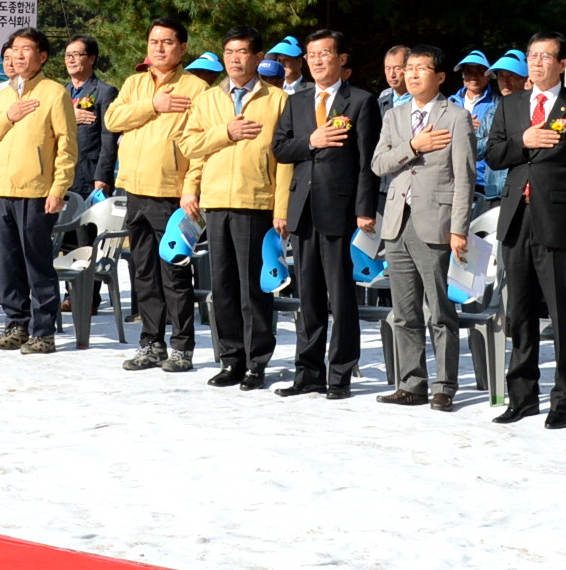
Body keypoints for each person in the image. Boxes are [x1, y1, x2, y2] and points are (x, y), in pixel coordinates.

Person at [485, 32, 566, 428]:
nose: (536, 63)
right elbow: (493, 155)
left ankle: (563, 399)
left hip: (558, 221)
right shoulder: (511, 104)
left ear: (562, 64)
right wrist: (523, 140)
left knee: (560, 313)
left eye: (545, 56)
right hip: (516, 218)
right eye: (531, 55)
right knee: (518, 312)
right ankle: (522, 397)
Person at [181, 26, 296, 389]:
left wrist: (281, 208)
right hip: (216, 202)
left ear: (258, 57)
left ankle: (256, 362)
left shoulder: (278, 100)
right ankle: (231, 360)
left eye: (242, 52)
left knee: (253, 289)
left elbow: (285, 159)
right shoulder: (208, 99)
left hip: (256, 202)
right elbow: (190, 146)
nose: (234, 59)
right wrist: (225, 134)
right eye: (229, 52)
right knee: (223, 287)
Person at [271, 29, 381, 399]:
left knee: (341, 297)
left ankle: (341, 375)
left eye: (324, 53)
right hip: (303, 209)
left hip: (341, 209)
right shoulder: (297, 101)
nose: (317, 60)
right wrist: (311, 141)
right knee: (309, 297)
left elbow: (367, 162)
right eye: (311, 55)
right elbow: (280, 148)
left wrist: (365, 209)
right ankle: (308, 373)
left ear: (340, 58)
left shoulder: (360, 101)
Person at [103, 18, 213, 373]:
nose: (159, 48)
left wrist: (191, 187)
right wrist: (153, 104)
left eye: (167, 42)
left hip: (173, 196)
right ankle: (151, 343)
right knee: (144, 274)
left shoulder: (196, 88)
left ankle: (181, 347)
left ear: (183, 48)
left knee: (174, 274)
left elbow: (201, 145)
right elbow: (113, 119)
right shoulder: (135, 83)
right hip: (135, 190)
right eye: (154, 41)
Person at [372, 44, 477, 410]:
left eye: (421, 68)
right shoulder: (394, 116)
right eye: (409, 68)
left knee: (440, 311)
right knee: (405, 312)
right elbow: (379, 164)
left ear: (441, 76)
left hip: (436, 222)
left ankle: (445, 385)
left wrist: (459, 228)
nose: (412, 74)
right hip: (397, 222)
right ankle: (411, 384)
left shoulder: (456, 117)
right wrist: (414, 146)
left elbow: (464, 177)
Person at [0, 28, 80, 354]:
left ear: (42, 56)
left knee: (37, 264)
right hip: (4, 190)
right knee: (8, 263)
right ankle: (16, 326)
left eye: (26, 49)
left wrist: (58, 189)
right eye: (14, 49)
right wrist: (8, 116)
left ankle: (43, 333)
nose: (18, 55)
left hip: (38, 192)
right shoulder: (4, 95)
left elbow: (67, 147)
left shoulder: (54, 93)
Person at [63, 36, 120, 202]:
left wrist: (102, 176)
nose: (71, 60)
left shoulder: (105, 92)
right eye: (68, 55)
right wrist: (70, 118)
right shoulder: (60, 92)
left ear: (91, 58)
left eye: (76, 54)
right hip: (62, 175)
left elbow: (109, 138)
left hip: (90, 175)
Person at [454, 51, 502, 200]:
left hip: (483, 180)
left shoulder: (498, 104)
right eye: (469, 72)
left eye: (479, 72)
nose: (474, 76)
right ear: (463, 75)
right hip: (452, 176)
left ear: (488, 76)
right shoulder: (449, 103)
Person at [378, 44, 411, 113]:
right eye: (388, 68)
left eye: (397, 68)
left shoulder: (422, 100)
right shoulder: (381, 102)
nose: (392, 74)